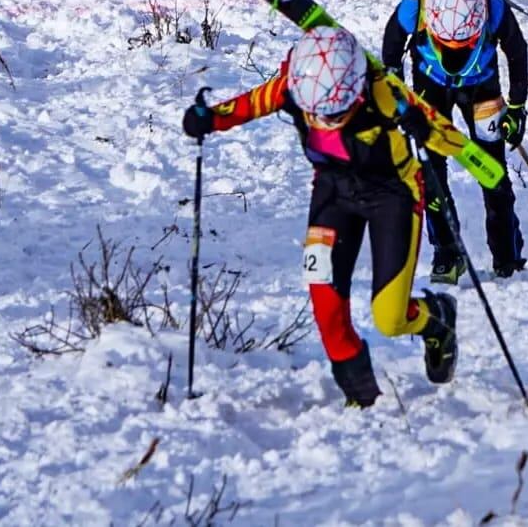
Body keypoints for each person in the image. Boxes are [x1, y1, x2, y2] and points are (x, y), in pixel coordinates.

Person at [182, 26, 459, 409]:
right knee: (326, 307)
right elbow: (248, 105)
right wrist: (208, 118)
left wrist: (423, 127)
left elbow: (451, 139)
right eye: (317, 114)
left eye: (338, 113)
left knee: (390, 318)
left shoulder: (385, 93)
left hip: (393, 196)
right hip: (333, 194)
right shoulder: (292, 88)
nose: (326, 121)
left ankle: (437, 318)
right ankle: (363, 401)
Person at [383, 0, 528, 285]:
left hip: (482, 89)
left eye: (464, 44)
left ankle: (507, 257)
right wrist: (398, 97)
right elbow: (391, 49)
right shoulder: (416, 6)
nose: (455, 51)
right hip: (431, 88)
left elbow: (517, 51)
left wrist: (517, 107)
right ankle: (447, 253)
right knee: (431, 173)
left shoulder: (493, 8)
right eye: (446, 44)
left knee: (493, 173)